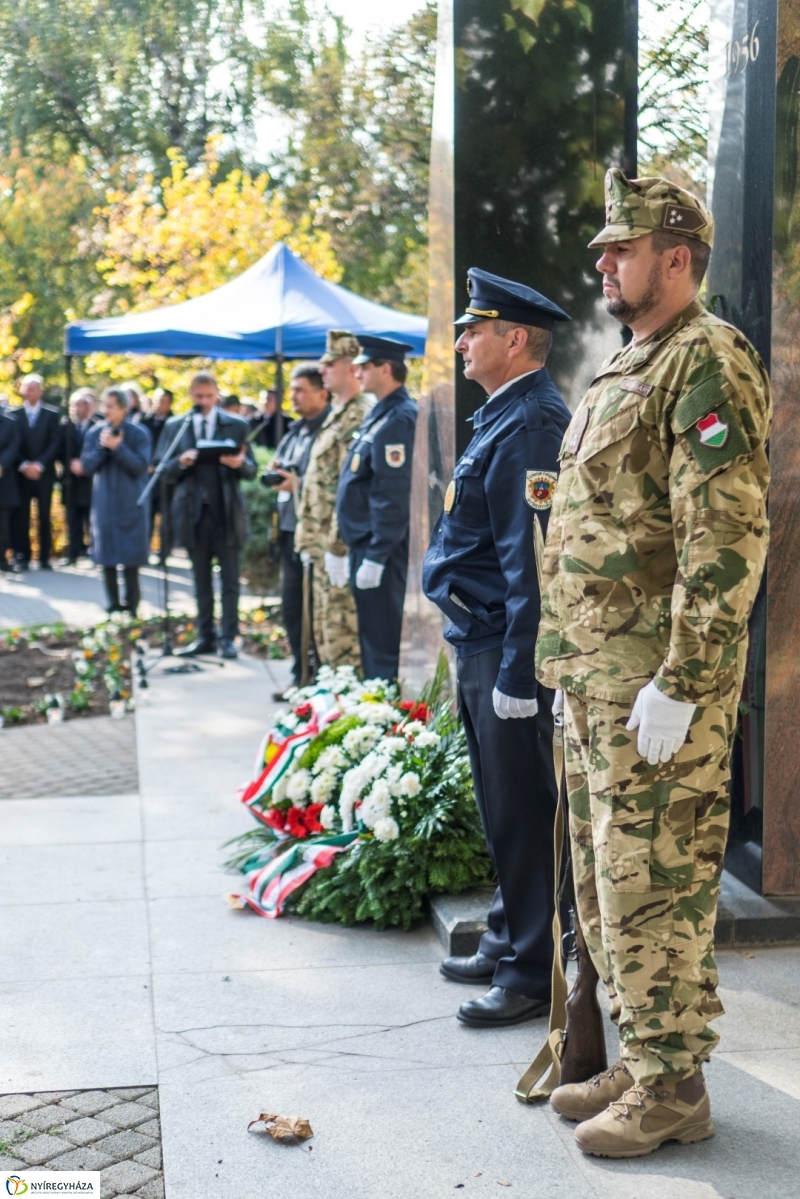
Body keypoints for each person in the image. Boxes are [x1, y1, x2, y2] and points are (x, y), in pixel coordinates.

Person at [536, 170, 771, 1157]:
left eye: (619, 247)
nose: (602, 261)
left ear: (674, 258)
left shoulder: (705, 360)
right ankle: (642, 1055)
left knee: (650, 886)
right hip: (596, 682)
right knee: (605, 889)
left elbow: (721, 535)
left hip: (653, 691)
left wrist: (682, 679)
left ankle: (675, 1084)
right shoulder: (633, 358)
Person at [422, 269, 571, 1027]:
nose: (460, 341)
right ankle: (511, 933)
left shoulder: (534, 422)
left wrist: (520, 669)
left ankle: (531, 972)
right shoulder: (501, 416)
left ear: (515, 339)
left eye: (473, 329)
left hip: (504, 651)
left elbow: (532, 561)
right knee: (499, 803)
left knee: (521, 807)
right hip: (475, 637)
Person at [335, 336, 417, 682]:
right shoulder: (380, 414)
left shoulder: (399, 417)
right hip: (364, 544)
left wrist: (377, 555)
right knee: (371, 635)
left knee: (382, 641)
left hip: (379, 549)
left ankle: (386, 715)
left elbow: (392, 494)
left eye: (365, 366)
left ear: (386, 369)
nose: (358, 371)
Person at [160, 371, 256, 659]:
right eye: (198, 397)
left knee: (229, 581)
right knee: (200, 581)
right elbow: (162, 470)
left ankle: (229, 637)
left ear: (217, 396)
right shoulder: (177, 426)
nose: (203, 401)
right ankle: (205, 636)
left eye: (209, 397)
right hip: (192, 514)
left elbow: (251, 470)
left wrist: (239, 463)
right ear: (191, 396)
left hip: (225, 514)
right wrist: (182, 461)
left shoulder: (236, 425)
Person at [294, 331, 372, 671]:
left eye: (331, 363)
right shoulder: (338, 414)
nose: (323, 369)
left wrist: (337, 546)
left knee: (344, 642)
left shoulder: (359, 415)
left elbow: (350, 489)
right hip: (321, 546)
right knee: (325, 637)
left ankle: (349, 713)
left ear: (352, 367)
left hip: (338, 547)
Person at [265, 364, 331, 692]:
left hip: (317, 535)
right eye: (292, 390)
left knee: (314, 613)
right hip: (289, 533)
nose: (293, 396)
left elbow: (328, 485)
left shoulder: (328, 429)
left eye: (301, 390)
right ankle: (300, 675)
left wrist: (297, 485)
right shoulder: (295, 430)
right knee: (292, 609)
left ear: (323, 393)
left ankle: (317, 679)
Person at [80, 387, 152, 615]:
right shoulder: (94, 433)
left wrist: (119, 448)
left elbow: (140, 467)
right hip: (104, 506)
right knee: (106, 557)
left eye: (110, 406)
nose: (105, 410)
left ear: (123, 408)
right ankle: (112, 606)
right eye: (104, 405)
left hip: (131, 504)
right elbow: (87, 465)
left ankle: (132, 608)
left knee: (131, 560)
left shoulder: (139, 434)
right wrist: (104, 447)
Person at [8, 374, 62, 570]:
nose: (28, 392)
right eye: (26, 388)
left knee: (44, 515)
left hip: (43, 474)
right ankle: (23, 555)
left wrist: (39, 465)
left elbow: (55, 443)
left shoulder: (51, 414)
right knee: (21, 516)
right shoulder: (14, 414)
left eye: (33, 388)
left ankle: (45, 557)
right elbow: (12, 443)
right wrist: (24, 465)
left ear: (40, 391)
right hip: (21, 475)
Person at [59, 388, 98, 565]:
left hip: (90, 480)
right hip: (71, 480)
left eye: (81, 405)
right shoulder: (65, 426)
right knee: (72, 518)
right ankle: (73, 553)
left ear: (88, 407)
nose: (76, 408)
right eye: (74, 405)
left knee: (91, 519)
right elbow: (58, 449)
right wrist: (70, 464)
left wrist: (85, 466)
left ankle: (94, 552)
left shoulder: (97, 427)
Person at [142, 387, 174, 546]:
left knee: (166, 516)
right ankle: (145, 547)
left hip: (166, 477)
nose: (159, 404)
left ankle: (164, 551)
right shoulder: (144, 421)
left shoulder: (175, 423)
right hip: (147, 475)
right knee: (147, 514)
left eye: (163, 401)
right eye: (157, 400)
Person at [0, 409, 20, 571]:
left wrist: (2, 465)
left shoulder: (9, 422)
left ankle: (2, 558)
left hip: (3, 479)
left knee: (3, 522)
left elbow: (13, 446)